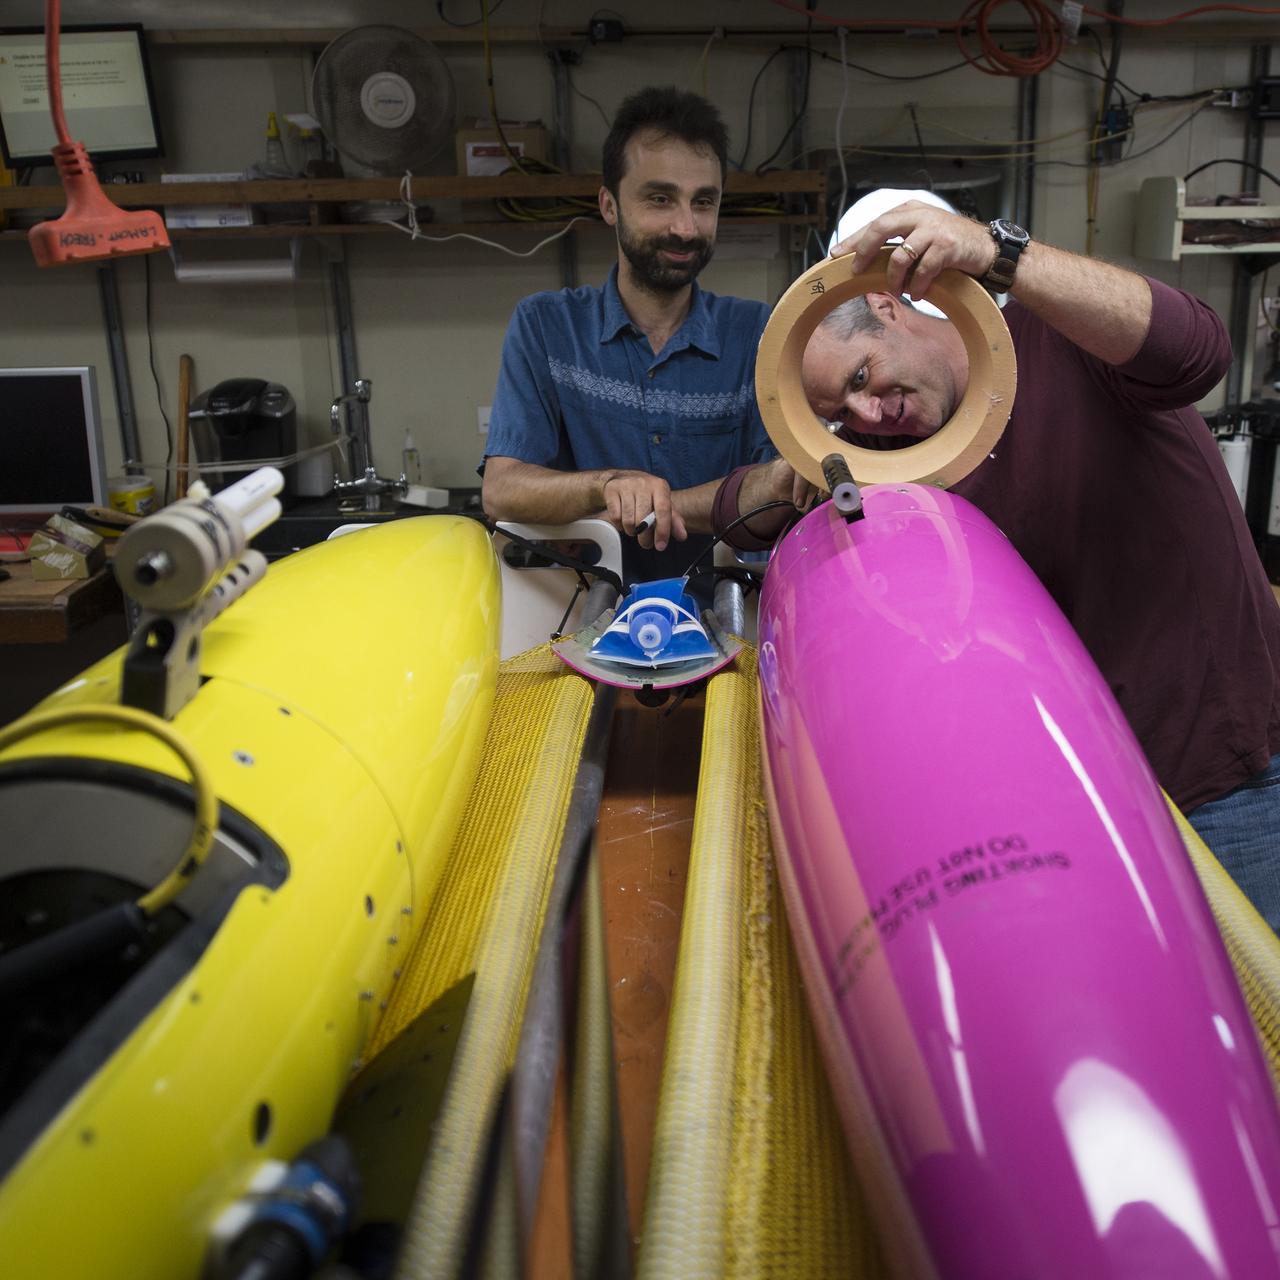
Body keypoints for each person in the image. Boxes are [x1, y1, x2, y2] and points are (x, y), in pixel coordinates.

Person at [715, 195, 1280, 927]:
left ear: (887, 306)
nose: (866, 417)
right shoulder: (889, 451)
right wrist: (788, 466)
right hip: (1083, 799)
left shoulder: (1063, 340)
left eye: (860, 378)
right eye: (838, 415)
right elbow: (738, 512)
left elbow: (1198, 348)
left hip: (1222, 779)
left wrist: (997, 252)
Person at [480, 86, 808, 592]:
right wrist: (610, 485)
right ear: (610, 205)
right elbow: (502, 490)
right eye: (660, 199)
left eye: (704, 202)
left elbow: (776, 492)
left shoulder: (759, 335)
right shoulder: (546, 326)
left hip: (730, 634)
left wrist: (653, 506)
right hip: (581, 630)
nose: (685, 226)